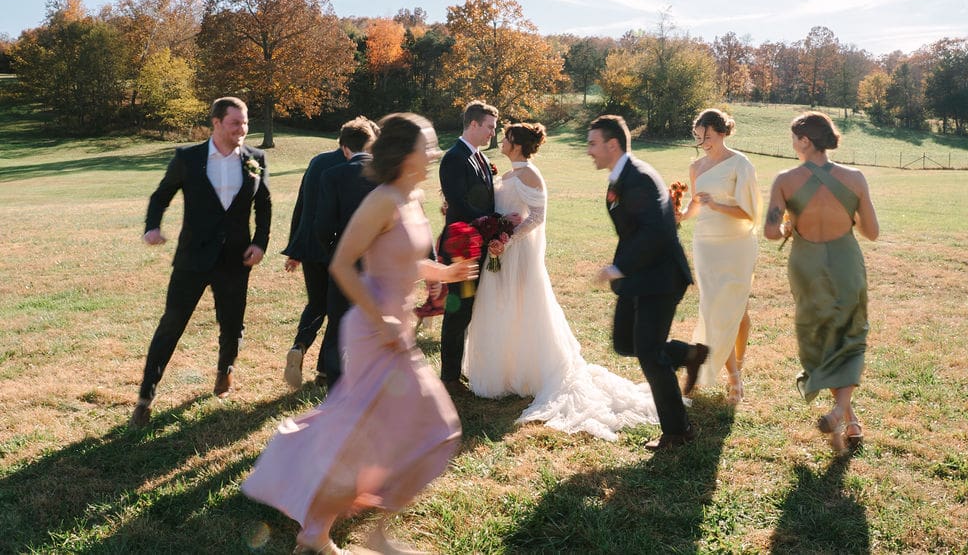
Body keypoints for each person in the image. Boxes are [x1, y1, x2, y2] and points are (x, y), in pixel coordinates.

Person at [242, 113, 476, 555]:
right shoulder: (382, 199)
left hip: (396, 331)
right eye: (426, 145)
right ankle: (367, 532)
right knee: (417, 429)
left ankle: (321, 533)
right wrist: (380, 317)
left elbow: (405, 260)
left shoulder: (412, 196)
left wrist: (444, 271)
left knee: (395, 431)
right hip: (373, 331)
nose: (434, 153)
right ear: (404, 154)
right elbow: (342, 263)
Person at [463, 123, 659, 440]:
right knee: (499, 305)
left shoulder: (529, 173)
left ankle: (528, 371)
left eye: (506, 137)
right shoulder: (510, 173)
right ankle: (503, 371)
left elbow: (537, 216)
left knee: (523, 307)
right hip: (501, 252)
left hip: (518, 253)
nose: (501, 140)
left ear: (516, 144)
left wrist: (506, 238)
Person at [130, 97, 271, 427]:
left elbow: (263, 205)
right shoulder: (188, 158)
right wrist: (153, 226)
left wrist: (260, 243)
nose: (243, 129)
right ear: (217, 123)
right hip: (193, 258)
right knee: (171, 326)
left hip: (236, 260)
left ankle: (225, 371)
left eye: (246, 122)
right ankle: (145, 398)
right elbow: (161, 196)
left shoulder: (255, 158)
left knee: (232, 323)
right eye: (236, 123)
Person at [587, 115, 709, 451]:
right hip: (638, 277)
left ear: (613, 145)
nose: (589, 151)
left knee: (650, 353)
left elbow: (656, 231)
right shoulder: (621, 176)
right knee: (625, 343)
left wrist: (618, 266)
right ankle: (690, 354)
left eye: (593, 143)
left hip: (660, 277)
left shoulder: (638, 177)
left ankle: (678, 432)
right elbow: (633, 229)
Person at [764, 111, 879, 454]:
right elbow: (872, 232)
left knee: (821, 337)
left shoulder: (785, 180)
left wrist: (789, 225)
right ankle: (844, 412)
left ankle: (844, 415)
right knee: (850, 333)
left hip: (807, 264)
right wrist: (849, 215)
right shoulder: (855, 178)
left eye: (794, 139)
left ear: (805, 141)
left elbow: (771, 232)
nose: (792, 145)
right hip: (845, 261)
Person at [282, 116, 379, 390]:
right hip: (342, 249)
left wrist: (295, 247)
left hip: (311, 245)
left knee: (317, 303)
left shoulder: (318, 162)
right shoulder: (360, 169)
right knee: (338, 309)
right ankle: (326, 370)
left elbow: (302, 206)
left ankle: (300, 345)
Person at [676, 108, 759, 404]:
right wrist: (681, 214)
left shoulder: (741, 164)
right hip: (706, 243)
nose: (703, 143)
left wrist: (719, 205)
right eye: (699, 138)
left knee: (740, 313)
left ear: (721, 132)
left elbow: (750, 211)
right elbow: (696, 205)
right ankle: (733, 376)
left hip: (737, 243)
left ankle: (738, 363)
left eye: (707, 136)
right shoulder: (696, 167)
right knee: (713, 308)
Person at [437, 101, 498, 395]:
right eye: (489, 127)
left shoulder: (480, 158)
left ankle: (457, 370)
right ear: (473, 124)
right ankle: (448, 377)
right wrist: (494, 222)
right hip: (462, 247)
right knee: (458, 311)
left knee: (469, 309)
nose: (492, 133)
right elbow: (460, 203)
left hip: (479, 245)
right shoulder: (454, 158)